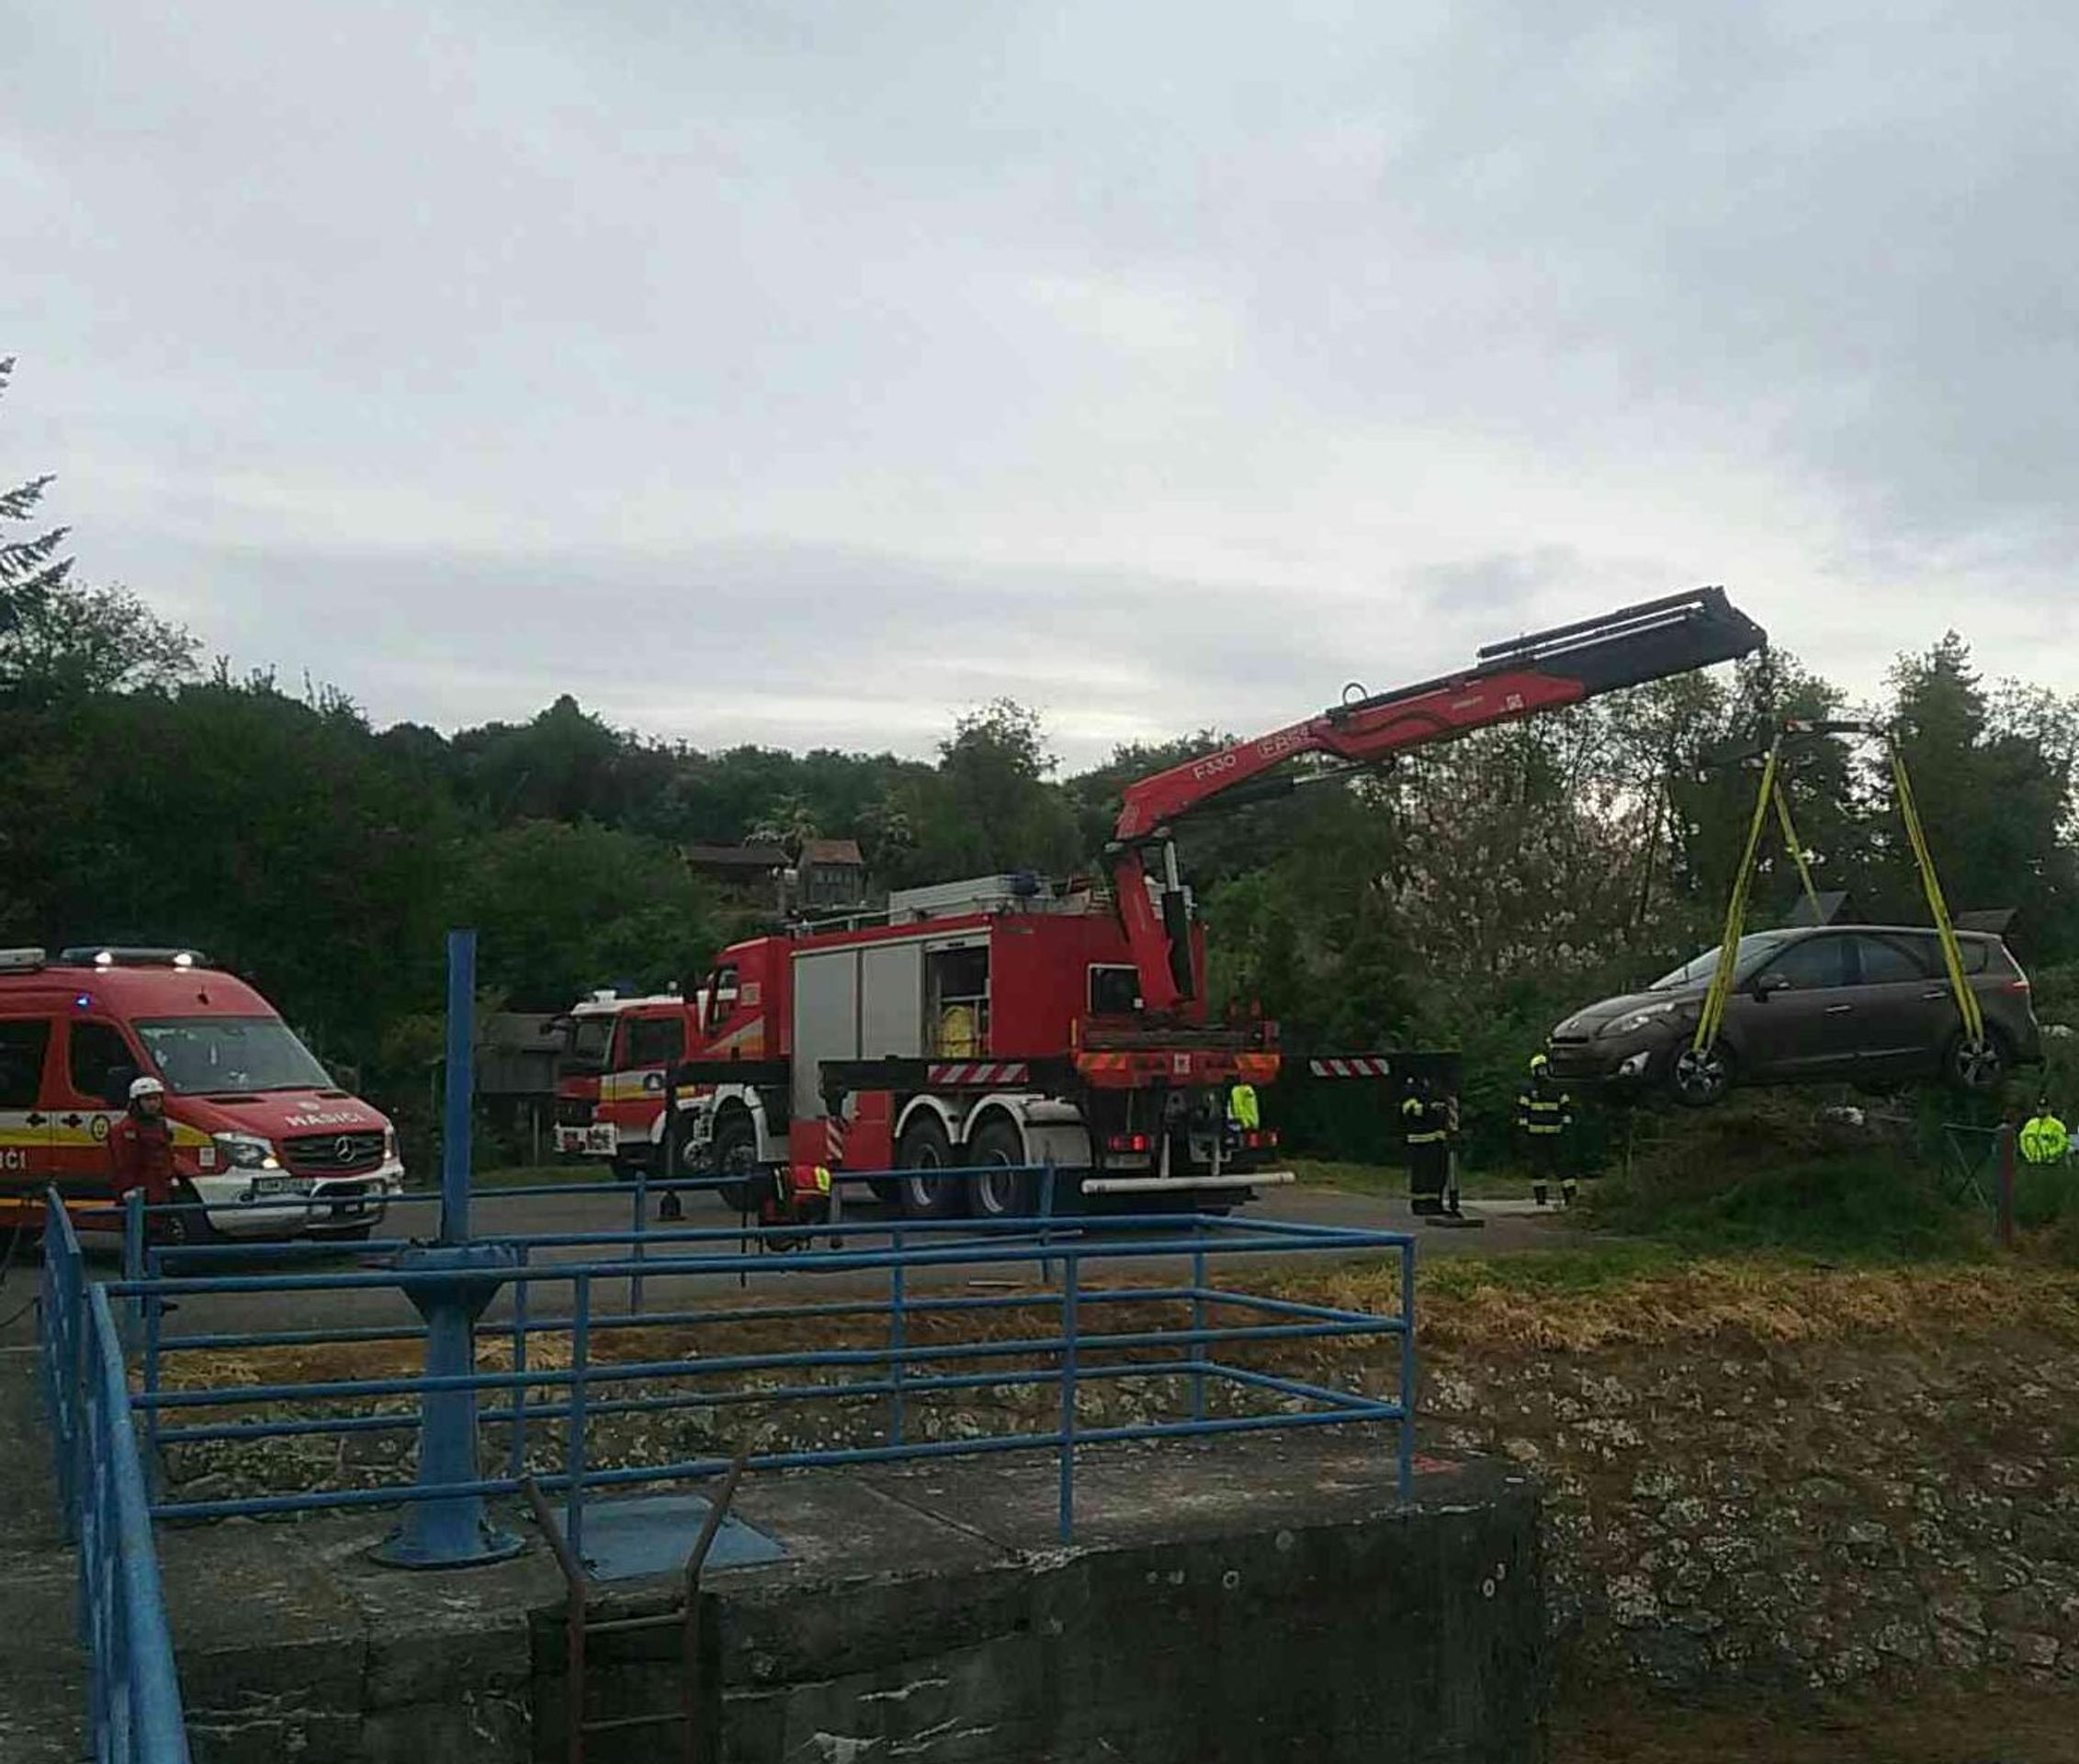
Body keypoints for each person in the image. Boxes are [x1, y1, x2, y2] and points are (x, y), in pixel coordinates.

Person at [107, 1074, 180, 1237]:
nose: (153, 1104)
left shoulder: (160, 1125)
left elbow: (166, 1154)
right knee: (137, 1240)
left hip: (160, 1192)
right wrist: (127, 1189)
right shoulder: (124, 1129)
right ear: (137, 1102)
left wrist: (171, 1178)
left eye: (156, 1099)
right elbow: (123, 1163)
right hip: (138, 1194)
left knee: (161, 1236)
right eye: (147, 1100)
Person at [1516, 1053, 1576, 1207]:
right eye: (1540, 1069)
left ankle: (1570, 1197)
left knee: (1560, 1167)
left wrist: (1566, 1129)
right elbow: (1522, 1112)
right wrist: (1523, 1132)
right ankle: (1542, 1199)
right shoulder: (1530, 1089)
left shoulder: (1555, 1088)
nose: (1542, 1072)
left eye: (1544, 1069)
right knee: (1540, 1168)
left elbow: (1567, 1110)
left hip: (1552, 1134)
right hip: (1540, 1135)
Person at [1402, 1077, 1456, 1216]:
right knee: (1422, 1176)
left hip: (1437, 1142)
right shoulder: (1412, 1092)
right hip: (1419, 1143)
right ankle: (1420, 1204)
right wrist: (1430, 1108)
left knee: (1437, 1175)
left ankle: (1434, 1203)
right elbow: (1410, 1109)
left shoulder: (1436, 1092)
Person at [2019, 1100, 2070, 1168]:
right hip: (2032, 1163)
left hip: (2051, 1165)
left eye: (2045, 1108)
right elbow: (2023, 1140)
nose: (2042, 1110)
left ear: (2050, 1109)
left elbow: (2063, 1144)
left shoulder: (2057, 1125)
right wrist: (2028, 1155)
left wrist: (2050, 1155)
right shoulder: (2030, 1124)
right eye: (2040, 1108)